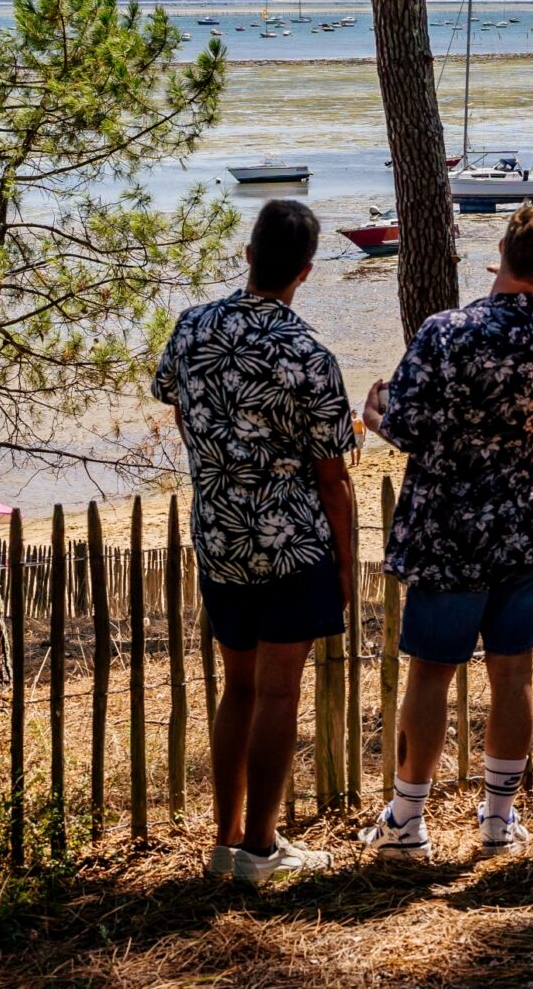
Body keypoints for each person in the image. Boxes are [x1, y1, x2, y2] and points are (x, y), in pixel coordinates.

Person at [356, 202, 533, 860]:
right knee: (513, 673)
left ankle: (406, 819)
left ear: (503, 247)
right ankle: (497, 819)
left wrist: (375, 415)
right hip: (522, 518)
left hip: (449, 527)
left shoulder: (444, 331)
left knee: (432, 673)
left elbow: (408, 426)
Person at [154, 199, 355, 885]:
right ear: (305, 269)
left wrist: (218, 462)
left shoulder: (191, 327)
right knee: (276, 695)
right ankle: (262, 849)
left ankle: (225, 838)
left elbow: (178, 404)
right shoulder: (310, 355)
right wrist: (346, 568)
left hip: (219, 536)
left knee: (238, 689)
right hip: (291, 544)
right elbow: (334, 477)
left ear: (247, 254)